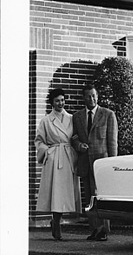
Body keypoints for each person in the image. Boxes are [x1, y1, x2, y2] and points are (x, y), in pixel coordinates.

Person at [72, 84, 118, 241]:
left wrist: (112, 164)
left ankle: (103, 230)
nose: (91, 99)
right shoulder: (77, 117)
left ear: (97, 97)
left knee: (101, 197)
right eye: (88, 96)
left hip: (102, 163)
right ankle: (94, 229)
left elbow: (112, 142)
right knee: (89, 198)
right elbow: (74, 137)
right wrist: (79, 145)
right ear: (83, 98)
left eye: (94, 96)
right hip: (85, 162)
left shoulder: (108, 115)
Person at [34, 88, 81, 240]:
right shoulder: (46, 120)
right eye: (57, 101)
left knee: (65, 192)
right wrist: (47, 152)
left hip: (67, 157)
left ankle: (56, 221)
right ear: (52, 103)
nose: (60, 103)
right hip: (54, 158)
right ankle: (57, 222)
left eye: (62, 100)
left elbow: (75, 137)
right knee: (56, 192)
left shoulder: (71, 118)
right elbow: (39, 141)